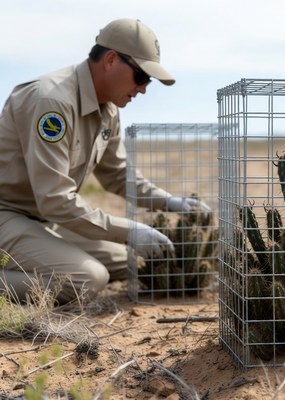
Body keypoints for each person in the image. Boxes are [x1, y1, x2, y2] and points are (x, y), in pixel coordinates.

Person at [0, 18, 209, 304]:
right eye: (141, 77)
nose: (144, 89)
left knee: (128, 261)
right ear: (111, 59)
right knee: (88, 279)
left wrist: (169, 201)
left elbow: (118, 174)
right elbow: (54, 199)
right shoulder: (51, 101)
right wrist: (129, 229)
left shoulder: (108, 109)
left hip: (41, 220)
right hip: (7, 216)